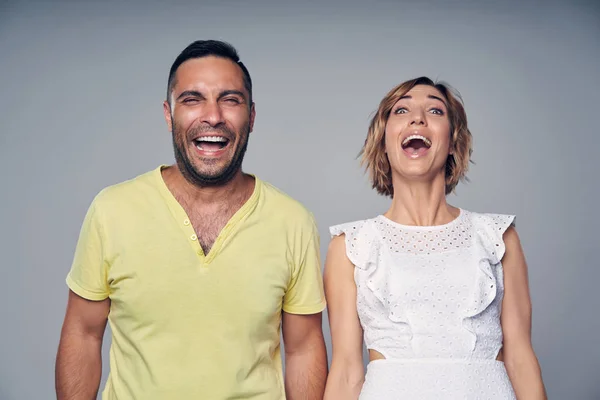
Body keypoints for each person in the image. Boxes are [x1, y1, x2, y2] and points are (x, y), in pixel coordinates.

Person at [55, 40, 328, 400]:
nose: (213, 116)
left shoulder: (292, 221)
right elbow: (83, 333)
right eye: (192, 99)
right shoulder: (112, 210)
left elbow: (303, 349)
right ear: (169, 114)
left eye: (230, 100)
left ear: (252, 116)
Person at [323, 77, 546, 399]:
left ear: (453, 142)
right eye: (401, 110)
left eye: (435, 110)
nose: (417, 117)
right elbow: (345, 371)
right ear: (383, 141)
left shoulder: (497, 237)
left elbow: (521, 359)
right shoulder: (351, 245)